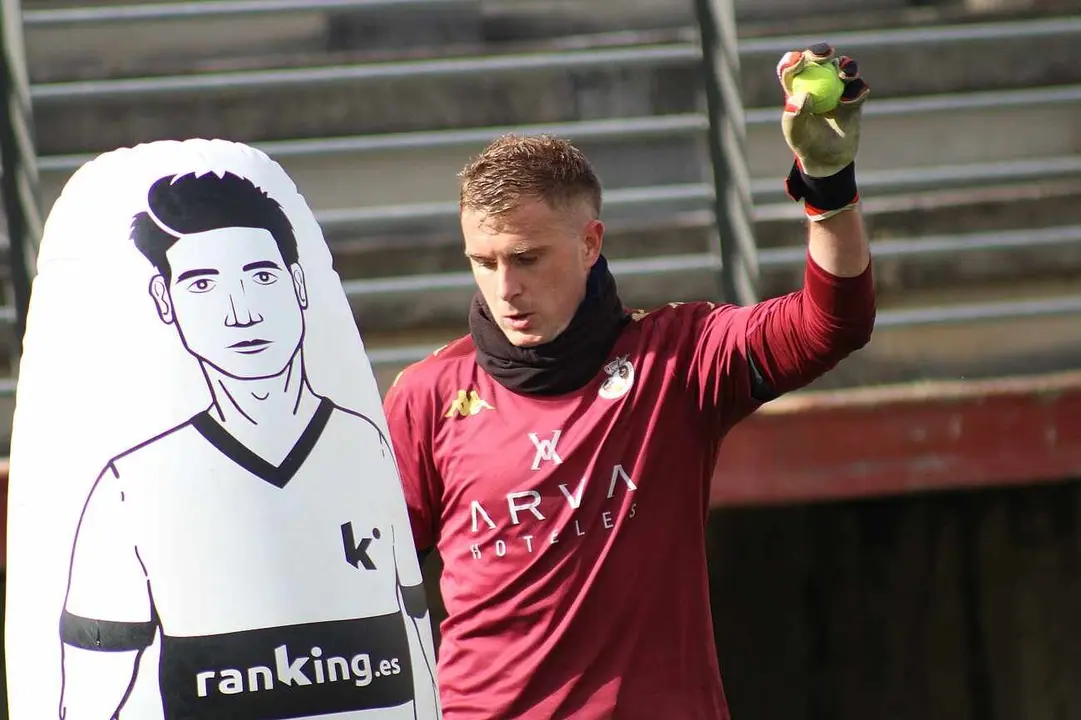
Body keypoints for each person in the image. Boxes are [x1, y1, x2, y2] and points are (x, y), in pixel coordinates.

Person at [383, 44, 874, 719]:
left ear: (589, 243)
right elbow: (369, 579)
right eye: (483, 262)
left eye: (527, 258)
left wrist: (827, 183)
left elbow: (830, 324)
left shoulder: (677, 359)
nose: (505, 288)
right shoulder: (428, 394)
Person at [59, 171, 438, 720]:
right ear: (166, 300)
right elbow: (91, 698)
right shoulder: (131, 489)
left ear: (298, 284)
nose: (241, 311)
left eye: (260, 276)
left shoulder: (366, 446)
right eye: (203, 284)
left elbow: (417, 651)